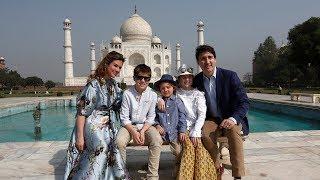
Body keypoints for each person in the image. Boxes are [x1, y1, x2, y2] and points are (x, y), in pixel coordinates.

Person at [64, 51, 129, 180]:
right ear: (106, 64)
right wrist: (79, 137)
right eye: (115, 66)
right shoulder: (93, 85)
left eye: (120, 67)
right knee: (101, 149)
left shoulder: (113, 85)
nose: (117, 70)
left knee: (110, 153)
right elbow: (82, 113)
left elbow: (124, 100)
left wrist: (156, 99)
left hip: (107, 126)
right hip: (93, 125)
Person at [193, 45, 250, 180]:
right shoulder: (197, 80)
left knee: (233, 132)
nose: (207, 61)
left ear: (215, 59)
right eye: (203, 59)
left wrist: (233, 118)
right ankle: (217, 166)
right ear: (198, 62)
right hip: (212, 118)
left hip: (230, 117)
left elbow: (244, 102)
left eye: (210, 57)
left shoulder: (229, 76)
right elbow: (183, 93)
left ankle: (238, 175)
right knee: (205, 134)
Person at [116, 64, 162, 180]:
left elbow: (151, 117)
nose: (143, 81)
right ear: (134, 78)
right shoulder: (127, 93)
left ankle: (152, 176)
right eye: (139, 77)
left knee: (157, 140)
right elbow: (124, 118)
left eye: (146, 78)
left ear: (149, 79)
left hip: (146, 126)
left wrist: (142, 131)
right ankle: (122, 175)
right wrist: (134, 132)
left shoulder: (152, 94)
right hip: (129, 126)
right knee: (119, 142)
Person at [175, 64, 217, 180]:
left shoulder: (198, 93)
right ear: (179, 79)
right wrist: (160, 100)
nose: (187, 79)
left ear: (192, 79)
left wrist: (196, 131)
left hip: (196, 127)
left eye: (189, 77)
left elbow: (201, 114)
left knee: (199, 148)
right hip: (182, 128)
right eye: (183, 77)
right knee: (189, 147)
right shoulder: (176, 93)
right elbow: (163, 96)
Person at [154, 74, 187, 178]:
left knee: (178, 151)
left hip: (174, 133)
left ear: (173, 88)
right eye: (163, 88)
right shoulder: (158, 102)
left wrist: (182, 131)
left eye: (168, 87)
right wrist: (157, 125)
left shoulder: (177, 101)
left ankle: (177, 171)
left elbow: (182, 116)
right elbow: (153, 117)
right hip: (162, 133)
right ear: (160, 90)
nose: (166, 90)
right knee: (154, 145)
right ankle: (154, 171)